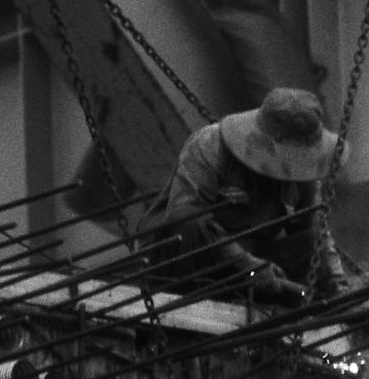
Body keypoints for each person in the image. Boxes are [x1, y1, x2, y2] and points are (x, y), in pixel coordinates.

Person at [141, 87, 350, 306]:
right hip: (184, 265)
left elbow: (316, 235)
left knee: (308, 245)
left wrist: (339, 288)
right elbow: (182, 216)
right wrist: (246, 265)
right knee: (188, 221)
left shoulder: (303, 171)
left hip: (250, 273)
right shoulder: (210, 145)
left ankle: (319, 308)